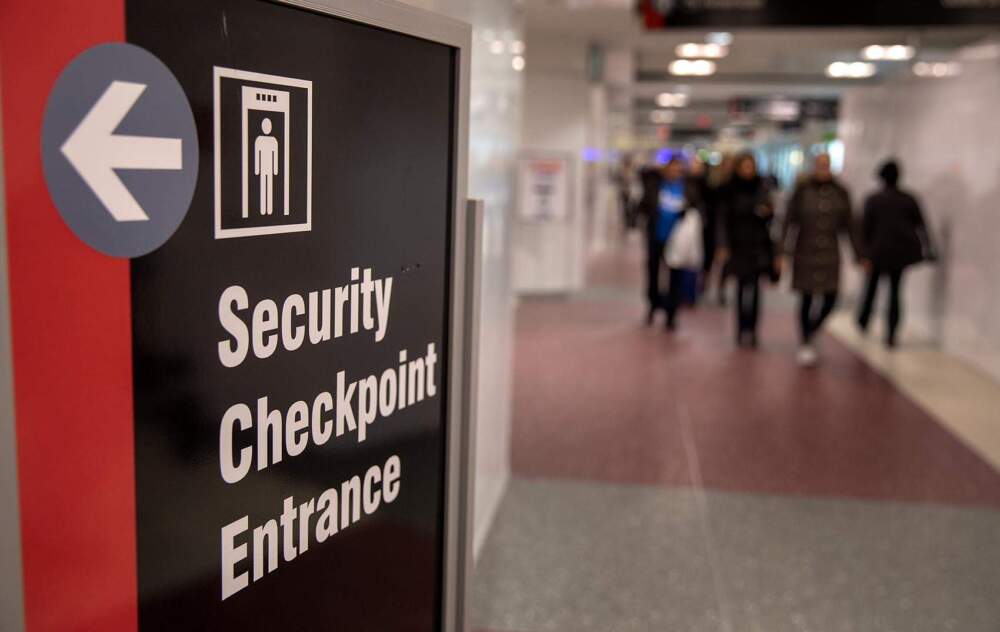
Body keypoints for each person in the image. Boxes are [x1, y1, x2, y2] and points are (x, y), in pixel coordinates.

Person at [781, 153, 862, 366]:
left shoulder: (841, 192)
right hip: (804, 251)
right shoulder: (802, 191)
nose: (823, 168)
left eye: (826, 165)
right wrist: (782, 251)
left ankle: (813, 328)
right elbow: (788, 222)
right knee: (806, 297)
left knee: (831, 297)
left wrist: (859, 254)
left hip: (830, 253)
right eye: (819, 164)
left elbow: (850, 225)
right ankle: (805, 340)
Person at [857, 160, 935, 348]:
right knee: (894, 291)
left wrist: (863, 254)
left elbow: (864, 229)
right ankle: (891, 333)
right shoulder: (908, 199)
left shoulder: (874, 200)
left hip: (877, 252)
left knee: (871, 288)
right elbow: (922, 226)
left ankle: (863, 322)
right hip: (899, 254)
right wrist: (928, 248)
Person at [717, 153, 776, 347]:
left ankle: (753, 329)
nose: (748, 170)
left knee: (756, 289)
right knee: (741, 288)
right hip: (738, 245)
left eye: (751, 166)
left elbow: (770, 215)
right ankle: (741, 328)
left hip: (757, 244)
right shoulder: (729, 189)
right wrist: (723, 244)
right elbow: (722, 218)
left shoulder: (762, 187)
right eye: (745, 166)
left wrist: (767, 212)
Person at [637, 156, 701, 330]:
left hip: (677, 240)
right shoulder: (655, 185)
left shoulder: (688, 188)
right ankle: (653, 304)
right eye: (672, 168)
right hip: (657, 236)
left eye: (678, 169)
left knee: (675, 276)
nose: (674, 172)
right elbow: (643, 203)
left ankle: (671, 312)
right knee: (653, 273)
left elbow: (696, 208)